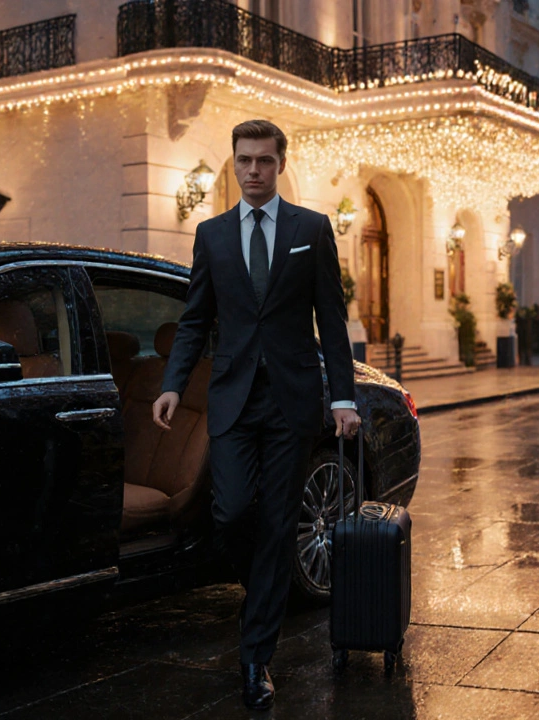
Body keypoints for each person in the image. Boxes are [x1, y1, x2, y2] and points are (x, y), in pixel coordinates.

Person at [152, 120, 359, 711]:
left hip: (292, 399)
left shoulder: (310, 229)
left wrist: (343, 398)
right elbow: (195, 319)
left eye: (264, 161)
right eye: (244, 160)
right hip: (234, 398)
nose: (253, 171)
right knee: (233, 510)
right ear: (234, 162)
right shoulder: (212, 234)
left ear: (280, 164)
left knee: (277, 520)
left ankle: (255, 657)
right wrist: (172, 385)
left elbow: (331, 319)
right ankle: (263, 591)